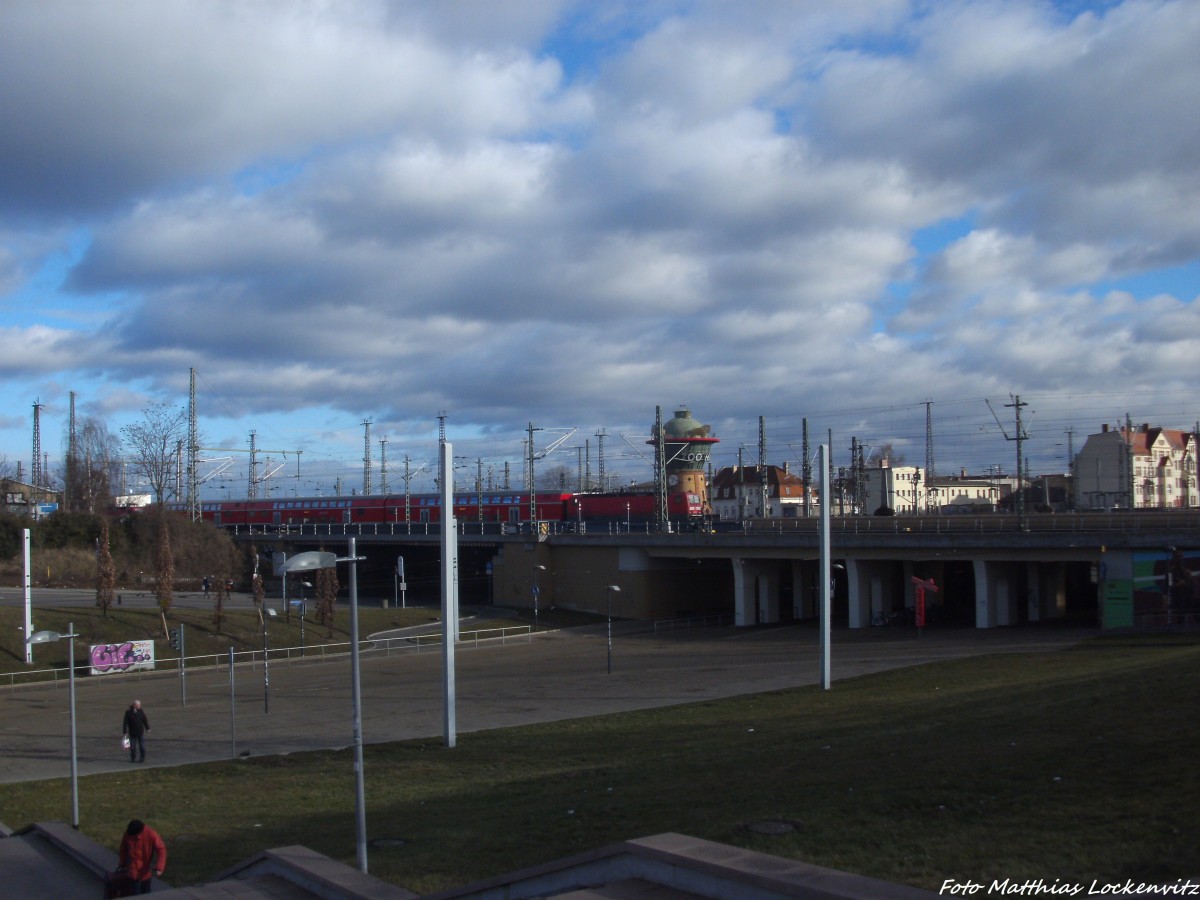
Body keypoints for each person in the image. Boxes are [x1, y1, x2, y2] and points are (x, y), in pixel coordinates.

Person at [117, 819, 166, 894]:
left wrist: (159, 867)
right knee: (135, 893)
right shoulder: (129, 833)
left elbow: (161, 849)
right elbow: (123, 849)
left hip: (145, 871)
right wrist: (122, 862)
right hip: (133, 871)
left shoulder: (151, 834)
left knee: (145, 892)